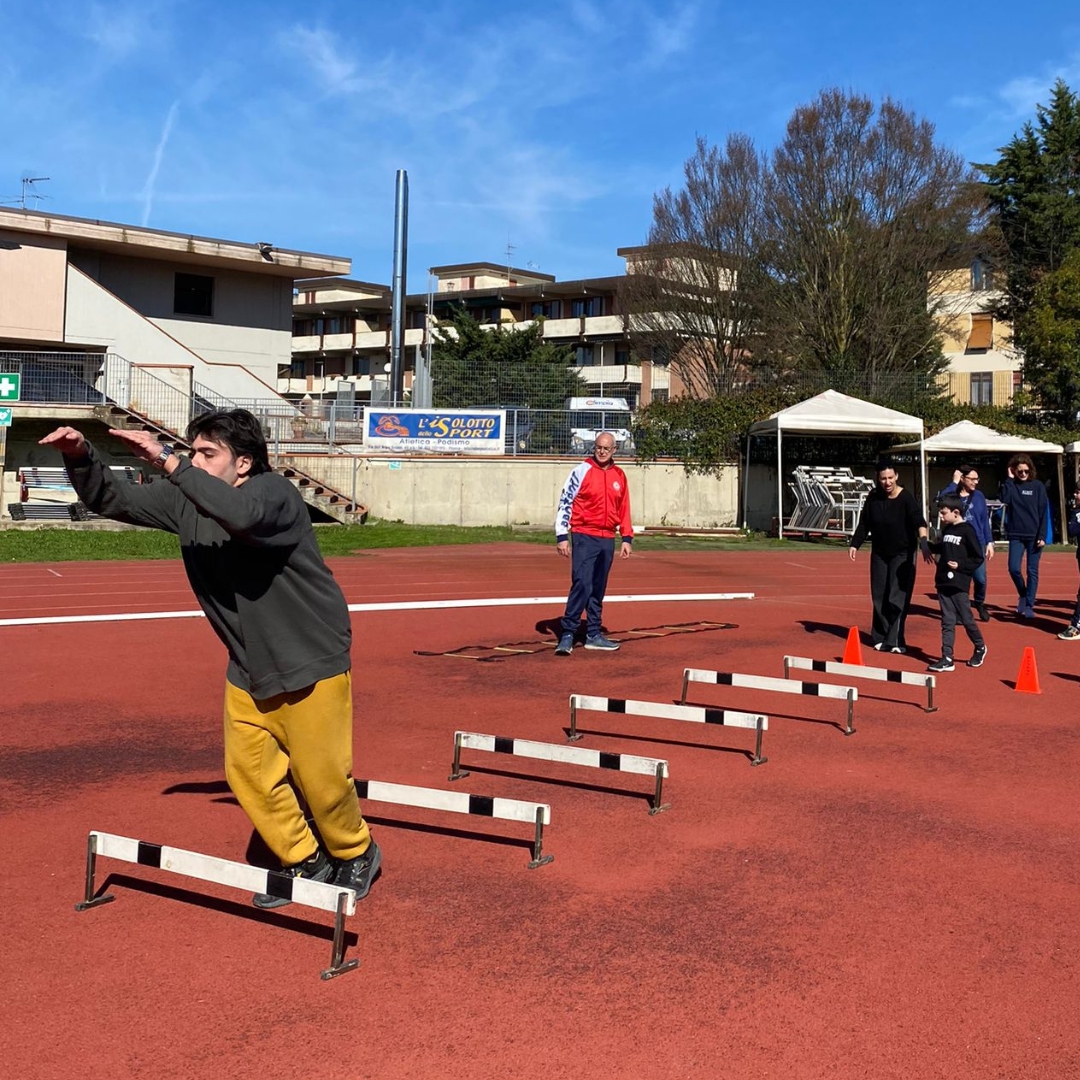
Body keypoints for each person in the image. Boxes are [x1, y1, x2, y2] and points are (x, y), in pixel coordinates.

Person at [40, 411, 380, 909]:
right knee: (250, 775)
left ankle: (356, 852)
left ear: (243, 463)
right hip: (248, 664)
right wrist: (79, 456)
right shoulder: (188, 500)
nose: (194, 461)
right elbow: (113, 498)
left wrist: (168, 459)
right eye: (193, 452)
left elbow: (239, 517)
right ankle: (306, 860)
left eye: (207, 454)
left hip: (309, 659)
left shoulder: (274, 494)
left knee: (323, 781)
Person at [553, 431, 633, 654]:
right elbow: (566, 500)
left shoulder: (619, 475)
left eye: (606, 448)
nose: (602, 451)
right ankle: (568, 633)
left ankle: (594, 634)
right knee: (582, 583)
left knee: (598, 587)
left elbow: (624, 508)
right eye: (598, 447)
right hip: (584, 535)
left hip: (607, 538)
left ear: (614, 450)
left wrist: (627, 538)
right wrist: (562, 535)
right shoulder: (581, 471)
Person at [848, 459, 932, 653]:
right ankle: (879, 636)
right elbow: (864, 523)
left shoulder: (906, 498)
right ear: (878, 479)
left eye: (890, 478)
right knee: (879, 596)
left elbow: (919, 521)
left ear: (896, 477)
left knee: (896, 596)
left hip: (903, 553)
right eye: (883, 478)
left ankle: (895, 640)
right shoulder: (873, 497)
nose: (887, 482)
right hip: (879, 553)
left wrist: (925, 543)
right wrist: (855, 544)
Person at [926, 495, 987, 672]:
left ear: (956, 512)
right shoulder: (946, 530)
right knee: (947, 620)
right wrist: (926, 544)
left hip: (959, 582)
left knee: (967, 619)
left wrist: (961, 566)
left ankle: (980, 646)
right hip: (943, 581)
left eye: (944, 513)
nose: (942, 517)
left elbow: (977, 557)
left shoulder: (967, 530)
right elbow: (943, 549)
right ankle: (947, 657)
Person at [936, 465, 994, 621]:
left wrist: (989, 542)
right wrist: (954, 482)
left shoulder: (979, 496)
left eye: (977, 479)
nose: (975, 482)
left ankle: (980, 602)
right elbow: (941, 500)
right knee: (961, 579)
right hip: (958, 544)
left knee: (980, 578)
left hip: (977, 542)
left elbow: (984, 520)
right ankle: (962, 611)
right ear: (962, 479)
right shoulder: (952, 494)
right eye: (972, 479)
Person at [999, 453, 1048, 618]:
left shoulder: (1038, 486)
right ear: (1014, 471)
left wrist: (1042, 535)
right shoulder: (1011, 486)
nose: (1023, 474)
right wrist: (1009, 479)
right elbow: (1005, 499)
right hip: (1016, 534)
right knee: (1013, 568)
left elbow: (1043, 512)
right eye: (1020, 471)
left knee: (1032, 571)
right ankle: (1023, 594)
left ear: (1030, 470)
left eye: (1026, 471)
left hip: (1034, 536)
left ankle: (1029, 605)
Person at [1058, 482, 1080, 640]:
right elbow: (1072, 530)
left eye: (1079, 493)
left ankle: (1076, 625)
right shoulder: (1077, 512)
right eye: (1076, 492)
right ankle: (1076, 624)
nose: (1076, 496)